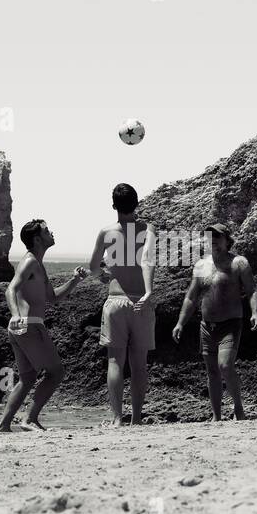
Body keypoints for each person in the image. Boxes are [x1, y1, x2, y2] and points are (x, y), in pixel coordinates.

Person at [0, 219, 87, 432]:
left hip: (20, 327)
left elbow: (53, 297)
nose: (52, 233)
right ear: (38, 239)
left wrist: (74, 280)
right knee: (56, 372)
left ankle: (3, 426)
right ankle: (29, 420)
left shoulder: (37, 264)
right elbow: (10, 290)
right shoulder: (29, 262)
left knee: (28, 377)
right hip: (28, 325)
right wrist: (16, 314)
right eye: (47, 231)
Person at [172, 223, 257, 420]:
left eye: (217, 238)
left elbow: (252, 290)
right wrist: (180, 323)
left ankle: (239, 410)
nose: (213, 242)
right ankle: (216, 416)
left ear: (227, 241)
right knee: (212, 371)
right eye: (209, 238)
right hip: (206, 326)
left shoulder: (239, 263)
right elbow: (191, 297)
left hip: (230, 324)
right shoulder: (201, 265)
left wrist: (255, 312)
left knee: (225, 365)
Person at [88, 182, 155, 427]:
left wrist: (104, 274)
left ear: (114, 205)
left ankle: (117, 419)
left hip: (115, 301)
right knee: (139, 364)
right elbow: (147, 260)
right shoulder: (147, 229)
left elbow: (93, 268)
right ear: (136, 203)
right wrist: (148, 291)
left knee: (115, 362)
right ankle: (136, 418)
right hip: (140, 301)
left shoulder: (106, 233)